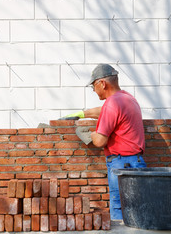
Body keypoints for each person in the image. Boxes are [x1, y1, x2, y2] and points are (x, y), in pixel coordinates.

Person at [62, 63, 146, 220]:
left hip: (121, 164)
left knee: (119, 207)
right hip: (137, 161)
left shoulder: (112, 103)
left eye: (93, 85)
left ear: (102, 83)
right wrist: (82, 113)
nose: (94, 90)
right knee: (138, 208)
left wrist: (91, 134)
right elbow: (104, 110)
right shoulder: (126, 98)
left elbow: (100, 141)